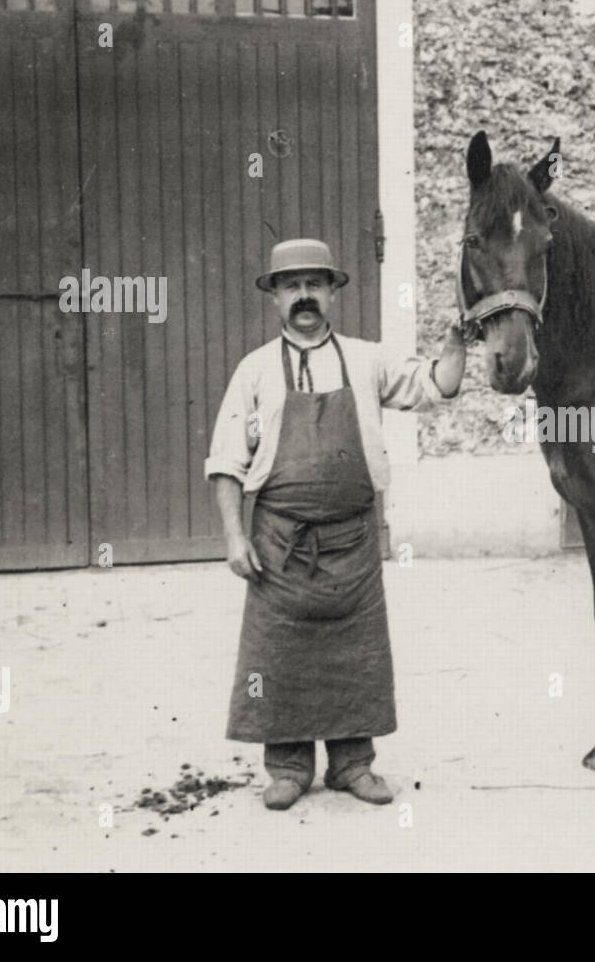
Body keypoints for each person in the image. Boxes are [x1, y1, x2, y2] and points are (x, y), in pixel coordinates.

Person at [205, 238, 464, 810]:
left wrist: (453, 346)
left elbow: (436, 386)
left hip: (352, 541)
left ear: (331, 293)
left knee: (357, 657)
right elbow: (226, 461)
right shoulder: (253, 372)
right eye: (292, 285)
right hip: (279, 543)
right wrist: (233, 535)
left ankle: (352, 765)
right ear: (275, 297)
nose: (304, 296)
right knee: (280, 655)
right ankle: (289, 768)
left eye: (314, 284)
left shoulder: (368, 359)